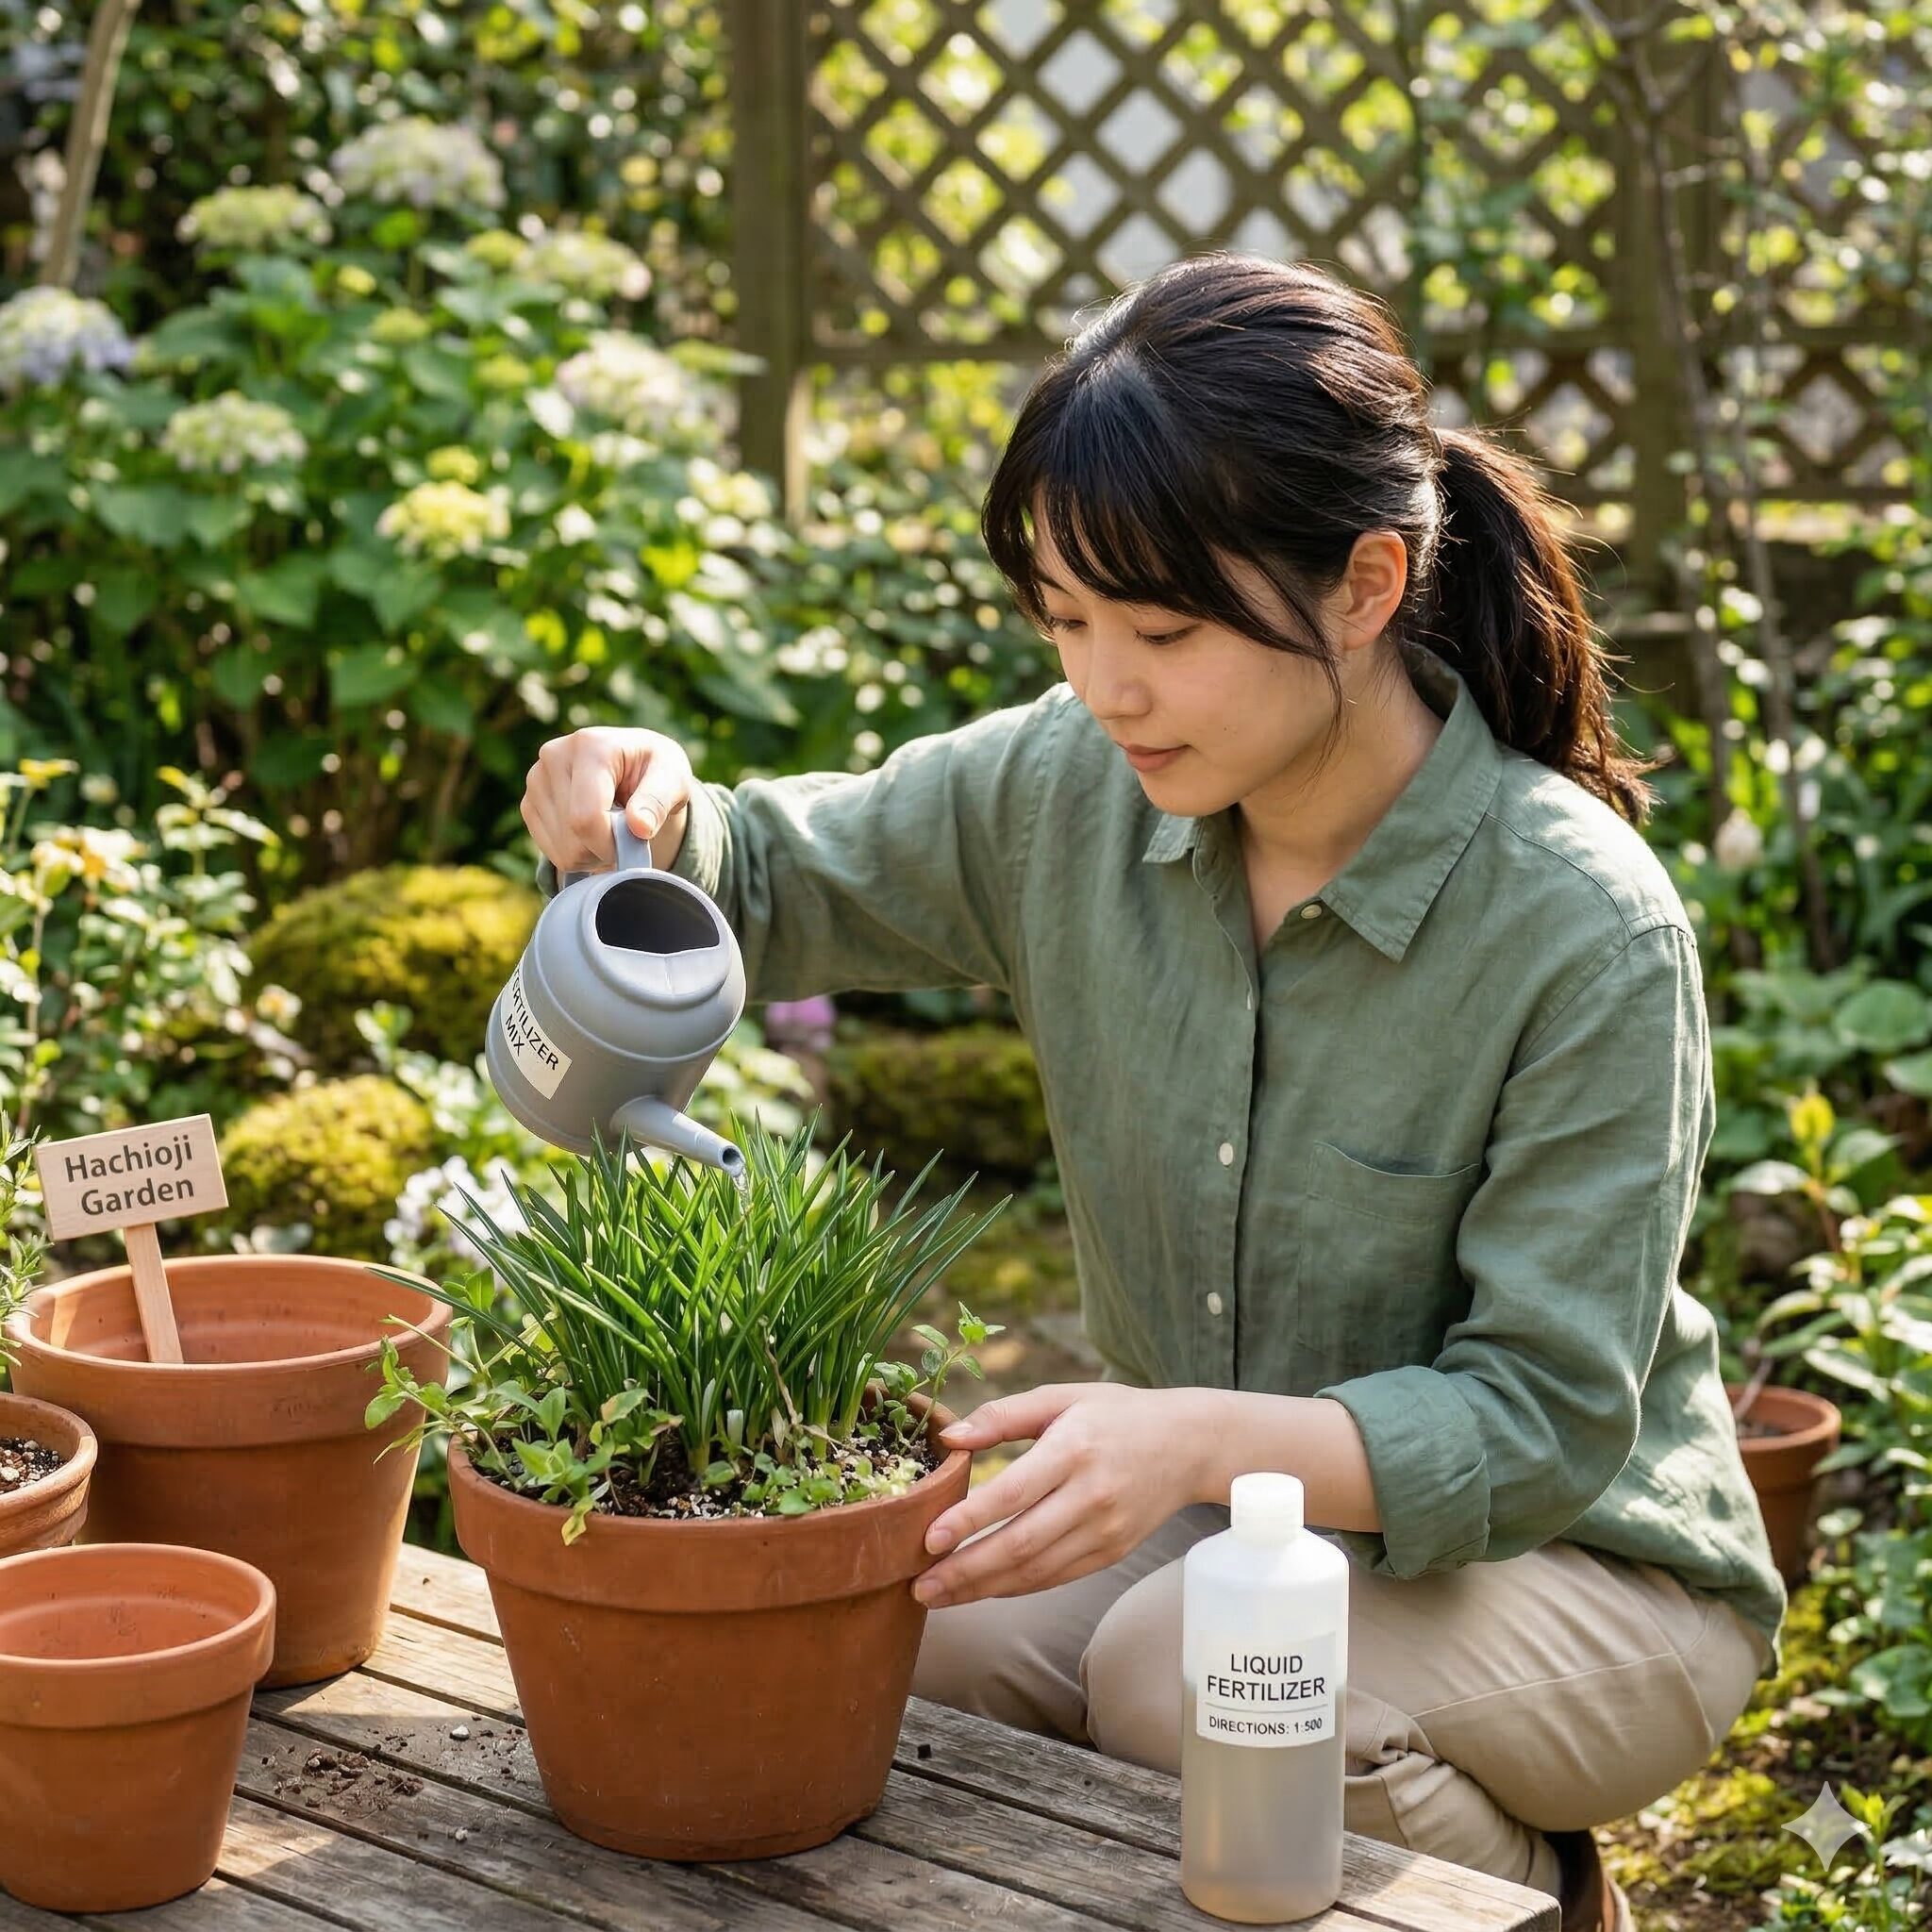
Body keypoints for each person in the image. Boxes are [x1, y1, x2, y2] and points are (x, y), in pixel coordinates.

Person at [518, 253, 1786, 1932]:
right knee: (894, 1624)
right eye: (1066, 621)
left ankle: (1535, 1895)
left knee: (1196, 1669)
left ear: (1363, 586)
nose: (1106, 684)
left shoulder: (1579, 924)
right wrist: (644, 804)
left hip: (1576, 1565)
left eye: (1165, 630)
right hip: (1211, 1514)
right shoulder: (1075, 786)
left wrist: (1182, 1434)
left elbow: (1543, 1423)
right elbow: (768, 871)